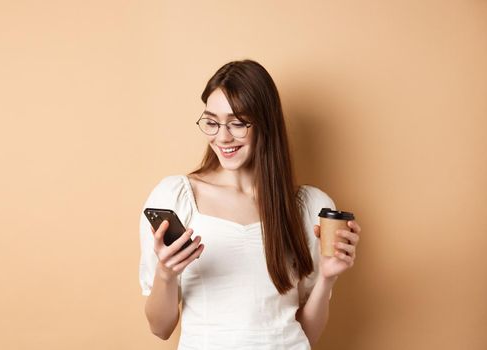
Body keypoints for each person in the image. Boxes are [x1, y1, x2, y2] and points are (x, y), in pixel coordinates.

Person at [139, 59, 362, 349]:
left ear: (265, 124)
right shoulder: (175, 196)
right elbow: (160, 327)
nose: (222, 136)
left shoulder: (308, 207)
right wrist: (166, 274)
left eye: (238, 123)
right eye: (212, 122)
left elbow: (306, 335)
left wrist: (327, 279)